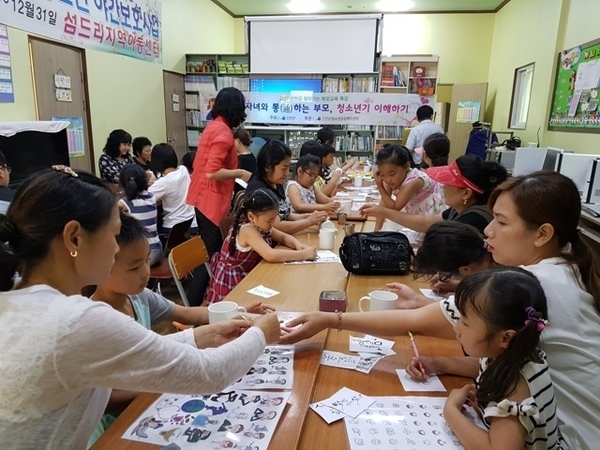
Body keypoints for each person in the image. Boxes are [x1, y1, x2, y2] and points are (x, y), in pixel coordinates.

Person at [283, 171, 600, 450]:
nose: (487, 231)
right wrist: (442, 354)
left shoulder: (530, 283)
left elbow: (416, 322)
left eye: (501, 222)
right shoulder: (566, 268)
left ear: (543, 234)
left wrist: (329, 319)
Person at [0, 168, 280, 449]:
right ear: (74, 238)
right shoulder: (74, 319)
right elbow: (210, 373)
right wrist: (260, 334)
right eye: (114, 234)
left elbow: (142, 349)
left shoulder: (19, 301)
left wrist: (204, 336)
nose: (115, 248)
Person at [87, 213, 274, 447]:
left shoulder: (139, 297)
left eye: (146, 260)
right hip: (119, 425)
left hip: (151, 402)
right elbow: (107, 401)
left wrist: (239, 309)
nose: (146, 272)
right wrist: (163, 382)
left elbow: (187, 313)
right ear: (101, 266)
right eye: (135, 267)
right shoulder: (97, 321)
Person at [407, 267, 564, 450]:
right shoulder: (512, 354)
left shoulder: (514, 387)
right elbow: (480, 365)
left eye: (465, 322)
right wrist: (438, 363)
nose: (456, 328)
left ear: (505, 337)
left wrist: (451, 411)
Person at [186, 87, 252, 304]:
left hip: (201, 196)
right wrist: (240, 173)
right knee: (211, 256)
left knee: (208, 253)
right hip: (210, 200)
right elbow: (212, 171)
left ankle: (197, 304)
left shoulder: (213, 127)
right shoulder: (223, 133)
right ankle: (193, 308)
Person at [206, 189, 316, 304]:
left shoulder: (261, 226)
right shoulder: (248, 230)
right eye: (269, 220)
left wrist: (298, 245)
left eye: (274, 219)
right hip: (233, 283)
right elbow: (270, 255)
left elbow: (284, 237)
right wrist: (302, 255)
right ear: (251, 217)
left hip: (250, 276)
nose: (273, 224)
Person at [361, 154, 508, 234]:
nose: (442, 185)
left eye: (449, 182)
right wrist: (382, 211)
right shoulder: (459, 209)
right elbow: (425, 223)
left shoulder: (472, 220)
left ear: (466, 193)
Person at [246, 140, 327, 235]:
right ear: (268, 167)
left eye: (288, 168)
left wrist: (311, 217)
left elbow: (286, 215)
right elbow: (276, 226)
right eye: (284, 168)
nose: (287, 173)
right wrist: (308, 221)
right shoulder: (259, 191)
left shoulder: (277, 184)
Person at [372, 144, 445, 233]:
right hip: (418, 212)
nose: (387, 179)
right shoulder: (391, 180)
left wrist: (380, 187)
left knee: (431, 235)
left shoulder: (414, 181)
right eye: (382, 175)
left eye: (392, 174)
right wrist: (375, 232)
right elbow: (383, 204)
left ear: (406, 166)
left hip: (431, 212)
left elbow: (395, 207)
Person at [118, 164, 162, 266]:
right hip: (158, 249)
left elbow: (109, 214)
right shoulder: (151, 197)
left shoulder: (125, 203)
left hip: (144, 254)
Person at [149, 143, 197, 236]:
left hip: (173, 228)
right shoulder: (183, 170)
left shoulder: (163, 182)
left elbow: (145, 199)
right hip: (193, 224)